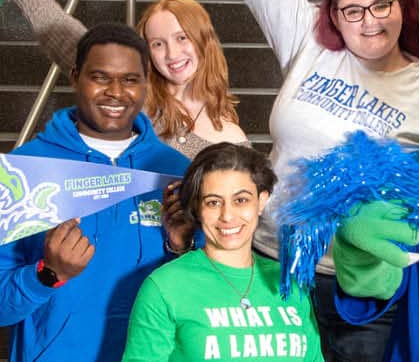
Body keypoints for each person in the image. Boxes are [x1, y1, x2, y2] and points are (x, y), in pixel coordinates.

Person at [221, 0, 419, 360]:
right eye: (352, 10)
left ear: (402, 7)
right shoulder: (310, 43)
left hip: (361, 285)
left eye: (381, 5)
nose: (369, 21)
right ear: (333, 17)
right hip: (270, 262)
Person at [0, 24, 192, 362]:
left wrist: (180, 248)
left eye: (130, 79)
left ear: (146, 83)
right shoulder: (22, 169)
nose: (115, 92)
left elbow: (211, 292)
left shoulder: (174, 170)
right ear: (75, 77)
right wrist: (46, 275)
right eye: (100, 77)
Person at [6, 0, 249, 158]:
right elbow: (56, 28)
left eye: (182, 38)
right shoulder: (132, 96)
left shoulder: (231, 133)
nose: (172, 54)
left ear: (204, 40)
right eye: (158, 44)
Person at [124, 143, 323, 361]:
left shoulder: (289, 282)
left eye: (241, 200)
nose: (227, 215)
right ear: (197, 208)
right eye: (213, 202)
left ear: (262, 201)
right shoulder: (164, 287)